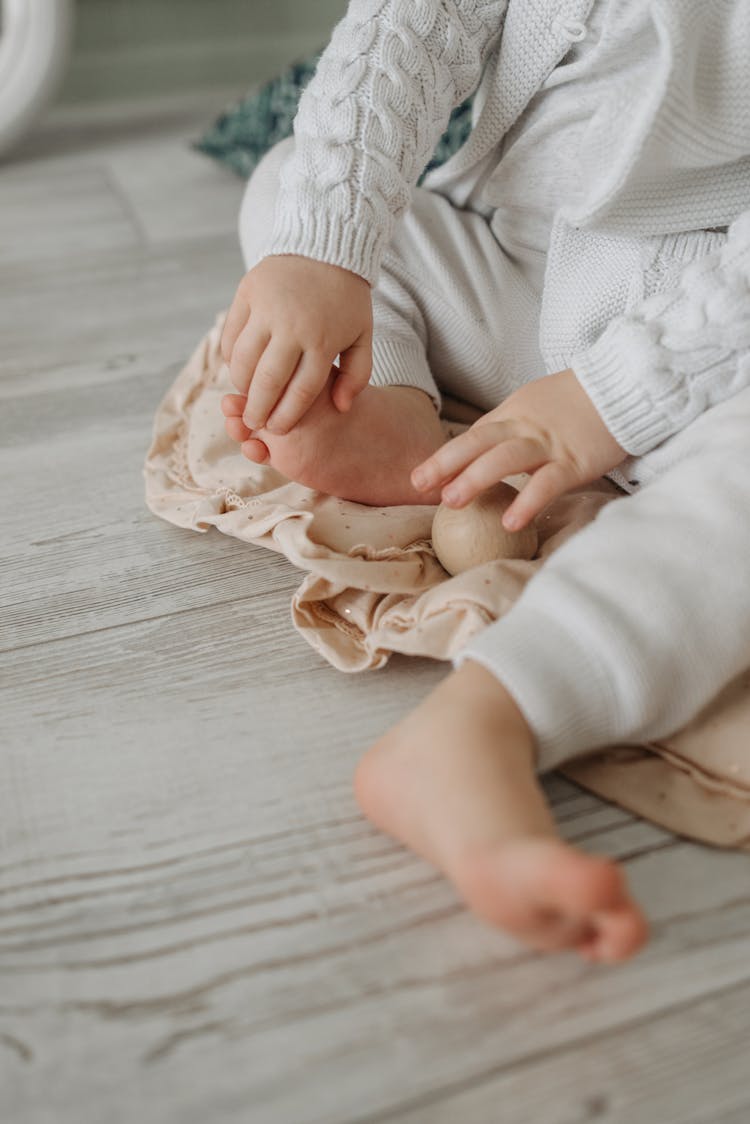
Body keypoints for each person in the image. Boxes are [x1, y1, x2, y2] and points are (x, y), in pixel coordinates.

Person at [219, 0, 750, 962]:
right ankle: (397, 409)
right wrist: (324, 247)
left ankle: (495, 716)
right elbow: (407, 30)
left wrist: (615, 396)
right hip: (512, 264)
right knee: (298, 186)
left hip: (709, 330)